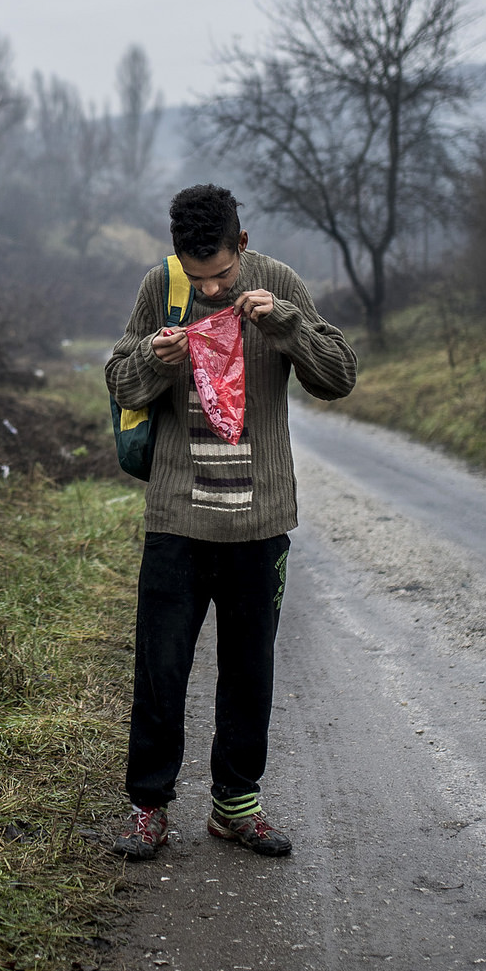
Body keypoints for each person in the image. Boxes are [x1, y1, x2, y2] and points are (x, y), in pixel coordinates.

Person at [104, 184, 358, 859]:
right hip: (177, 519)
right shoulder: (162, 286)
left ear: (241, 246)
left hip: (258, 521)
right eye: (198, 276)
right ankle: (148, 809)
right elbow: (120, 384)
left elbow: (339, 378)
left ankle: (235, 809)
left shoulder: (279, 283)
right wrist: (152, 365)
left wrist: (287, 326)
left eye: (220, 274)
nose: (211, 289)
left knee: (249, 671)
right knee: (161, 669)